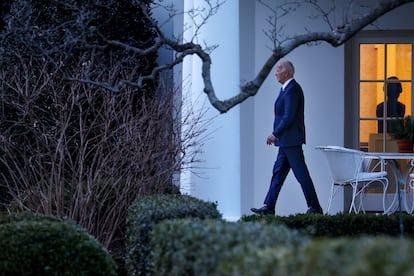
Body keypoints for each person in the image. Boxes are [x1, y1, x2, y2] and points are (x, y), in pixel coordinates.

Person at [251, 60, 323, 215]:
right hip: (286, 142)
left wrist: (275, 133)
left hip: (290, 141)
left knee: (301, 175)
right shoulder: (286, 89)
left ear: (288, 73)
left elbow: (289, 117)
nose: (276, 72)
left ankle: (315, 207)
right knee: (278, 173)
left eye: (279, 69)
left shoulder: (292, 90)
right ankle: (269, 207)